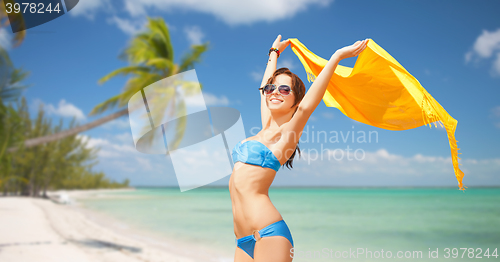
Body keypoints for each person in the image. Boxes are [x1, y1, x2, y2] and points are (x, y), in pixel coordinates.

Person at [229, 35, 368, 262]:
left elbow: (306, 107)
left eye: (285, 90)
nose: (275, 91)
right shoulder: (263, 128)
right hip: (242, 240)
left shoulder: (286, 136)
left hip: (268, 234)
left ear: (295, 101)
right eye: (272, 88)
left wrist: (337, 57)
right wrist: (274, 51)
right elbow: (264, 86)